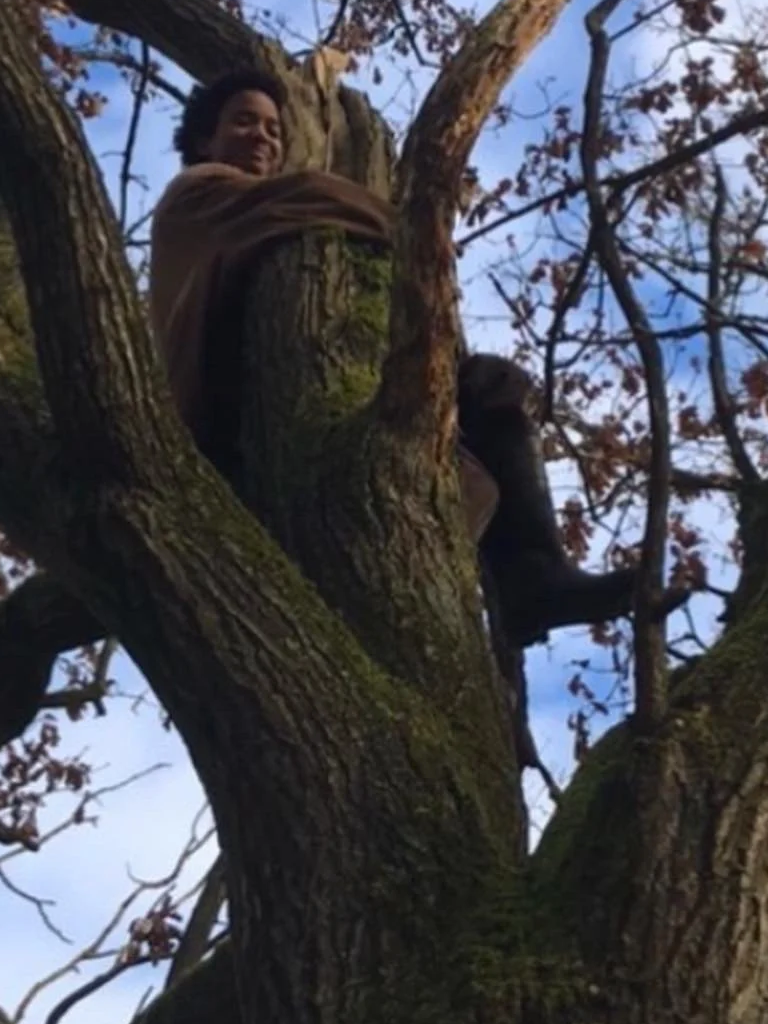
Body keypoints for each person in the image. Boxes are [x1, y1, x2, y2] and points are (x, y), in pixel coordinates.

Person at [147, 68, 633, 648]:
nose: (262, 137)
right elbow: (310, 196)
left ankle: (531, 577)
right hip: (226, 427)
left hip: (304, 428)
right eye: (244, 122)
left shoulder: (256, 205)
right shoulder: (198, 190)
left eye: (275, 130)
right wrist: (409, 230)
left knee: (489, 386)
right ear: (206, 139)